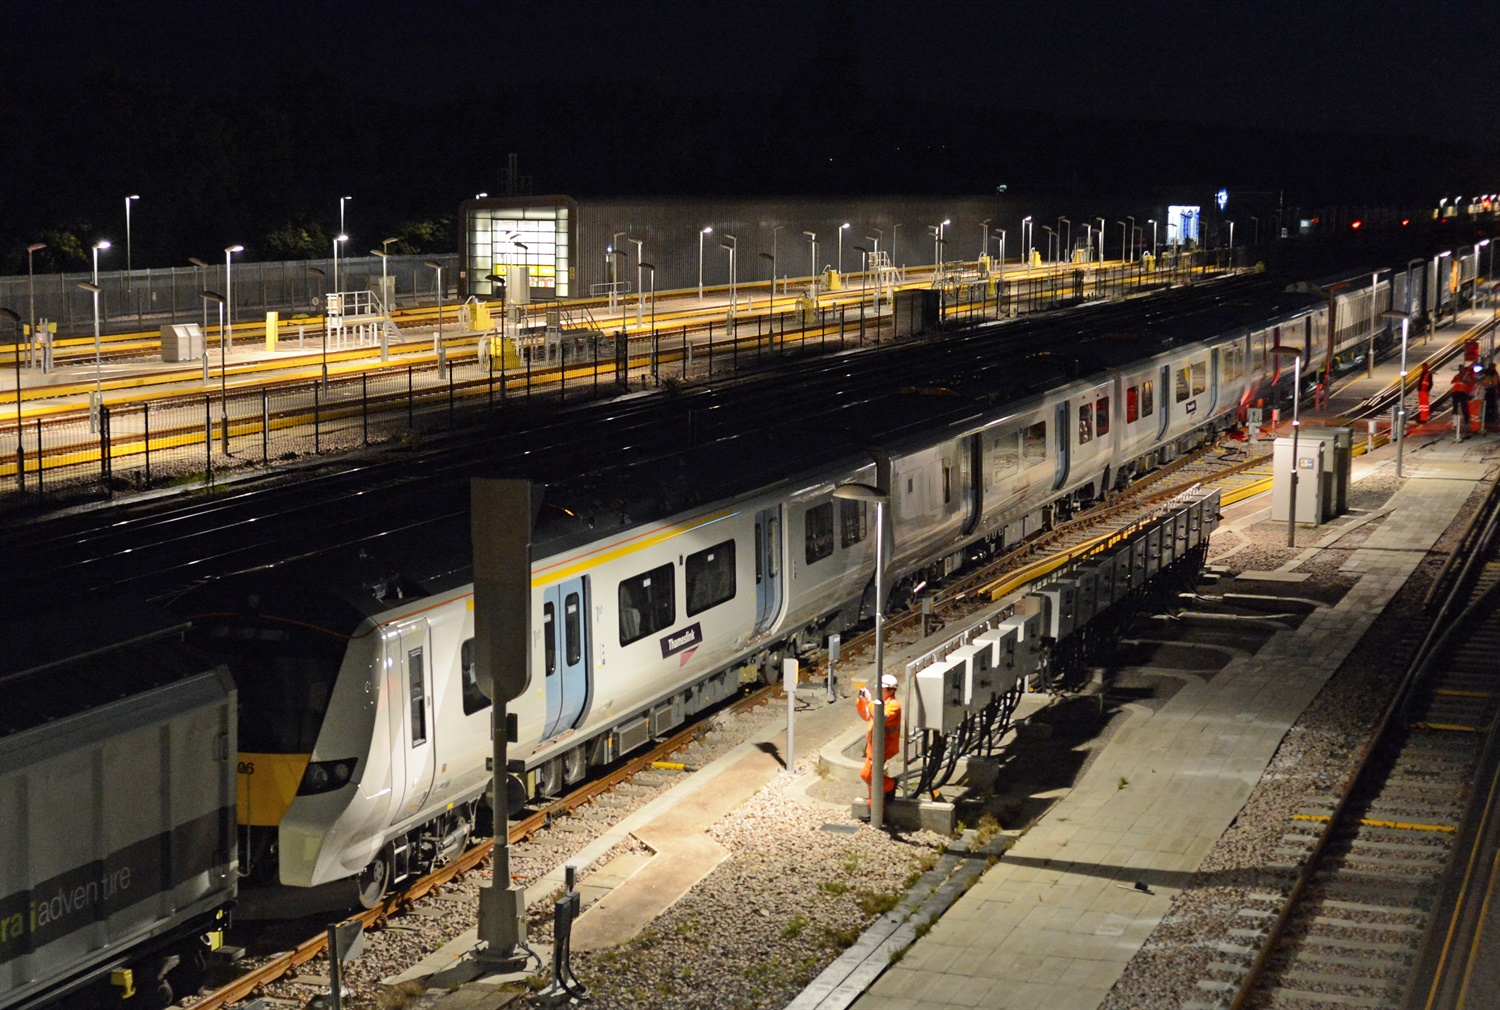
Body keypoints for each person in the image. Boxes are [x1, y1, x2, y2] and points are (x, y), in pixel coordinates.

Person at [856, 673, 901, 818]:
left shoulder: (894, 705)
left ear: (891, 690)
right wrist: (861, 701)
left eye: (882, 689)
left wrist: (870, 702)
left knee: (868, 775)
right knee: (873, 782)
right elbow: (866, 716)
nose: (879, 691)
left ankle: (891, 785)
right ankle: (875, 813)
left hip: (883, 748)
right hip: (874, 747)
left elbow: (880, 716)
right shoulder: (880, 703)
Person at [1449, 367, 1474, 440]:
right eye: (1460, 369)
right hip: (1455, 392)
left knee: (1464, 408)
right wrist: (1457, 378)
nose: (1460, 371)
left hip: (1463, 393)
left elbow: (1467, 382)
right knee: (1455, 408)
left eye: (1462, 369)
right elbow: (1452, 382)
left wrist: (1461, 379)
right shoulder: (1457, 375)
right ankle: (1455, 422)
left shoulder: (1467, 376)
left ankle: (1466, 421)